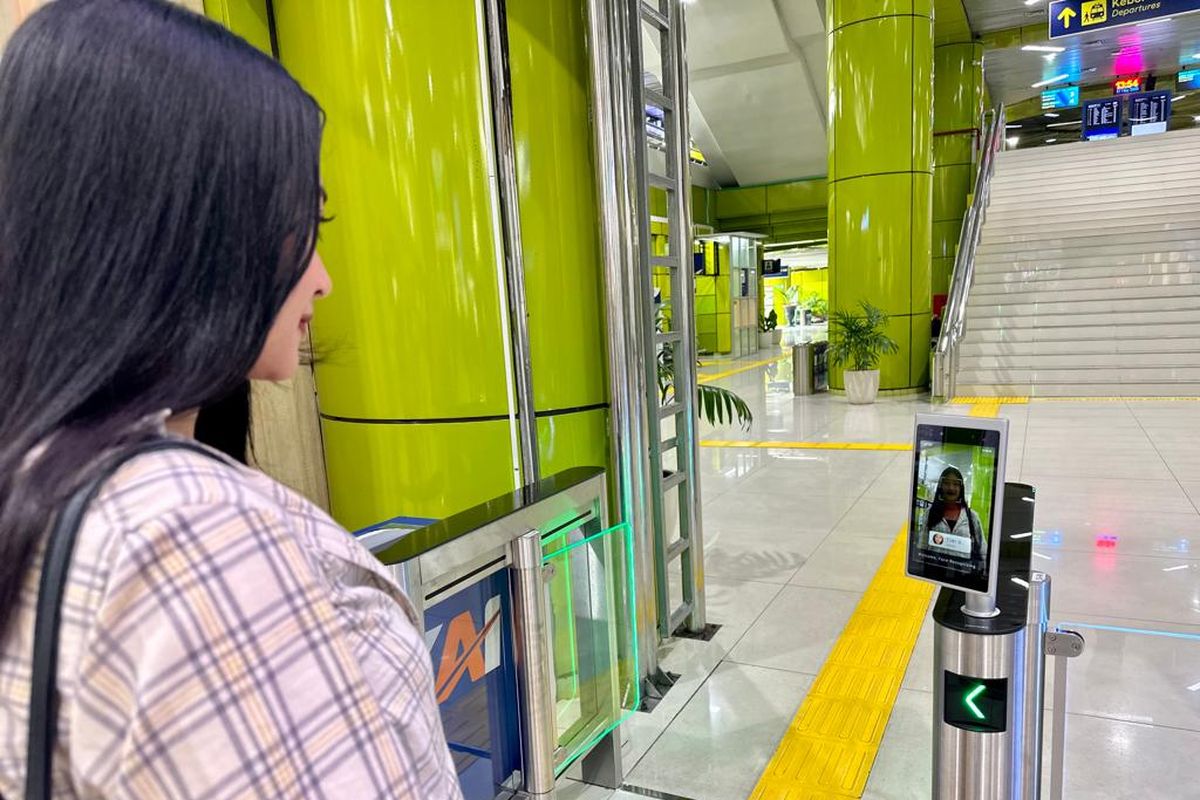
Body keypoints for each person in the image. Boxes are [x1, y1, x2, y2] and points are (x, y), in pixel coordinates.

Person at [0, 1, 461, 798]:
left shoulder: (39, 474)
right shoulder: (188, 533)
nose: (321, 278)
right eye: (304, 222)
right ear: (185, 226)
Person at [924, 466, 986, 566]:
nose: (951, 488)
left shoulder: (972, 517)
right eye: (946, 483)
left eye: (956, 484)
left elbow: (982, 548)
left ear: (961, 488)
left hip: (963, 575)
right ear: (941, 486)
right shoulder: (930, 512)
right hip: (934, 572)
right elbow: (922, 545)